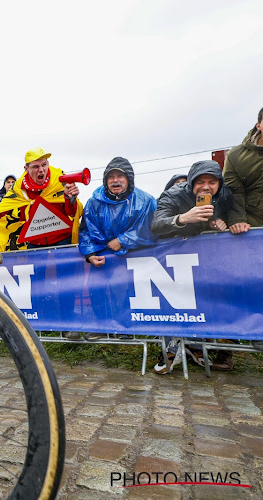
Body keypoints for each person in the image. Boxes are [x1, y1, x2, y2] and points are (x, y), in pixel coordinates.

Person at [150, 160, 234, 372]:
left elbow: (230, 215)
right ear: (191, 183)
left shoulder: (225, 194)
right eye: (200, 182)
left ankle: (196, 347)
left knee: (201, 302)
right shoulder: (173, 195)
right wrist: (183, 218)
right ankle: (169, 349)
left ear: (219, 183)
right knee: (172, 302)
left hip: (205, 257)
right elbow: (156, 225)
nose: (206, 187)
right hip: (174, 255)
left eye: (212, 182)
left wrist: (217, 223)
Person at [79, 157, 157, 340]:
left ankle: (126, 326)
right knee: (95, 287)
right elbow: (85, 231)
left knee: (124, 288)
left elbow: (151, 228)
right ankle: (102, 325)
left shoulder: (145, 201)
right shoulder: (94, 202)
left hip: (135, 254)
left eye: (120, 176)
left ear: (129, 178)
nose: (115, 180)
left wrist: (123, 240)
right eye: (111, 177)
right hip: (103, 254)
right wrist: (90, 253)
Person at [0, 147, 83, 251]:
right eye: (36, 166)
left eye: (44, 165)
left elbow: (72, 214)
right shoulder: (18, 188)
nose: (41, 170)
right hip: (35, 245)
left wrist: (69, 199)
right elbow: (0, 210)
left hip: (63, 241)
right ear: (26, 169)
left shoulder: (59, 179)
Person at [223, 106, 263, 236]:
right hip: (254, 228)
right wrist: (237, 220)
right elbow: (233, 191)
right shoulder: (236, 156)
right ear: (258, 125)